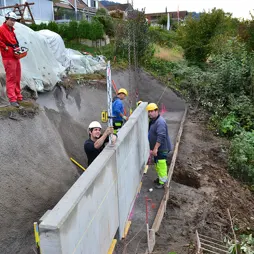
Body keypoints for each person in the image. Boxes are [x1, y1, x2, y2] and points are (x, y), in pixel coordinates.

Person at [0, 12, 23, 107]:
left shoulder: (11, 30)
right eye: (11, 20)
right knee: (11, 78)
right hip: (8, 57)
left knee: (17, 77)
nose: (13, 22)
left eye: (14, 20)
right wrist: (5, 47)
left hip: (15, 56)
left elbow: (13, 42)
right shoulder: (1, 29)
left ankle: (18, 96)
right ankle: (12, 99)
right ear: (6, 19)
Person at [147, 103, 172, 189]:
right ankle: (160, 178)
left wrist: (155, 148)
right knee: (157, 164)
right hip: (157, 148)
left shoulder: (160, 122)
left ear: (156, 111)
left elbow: (161, 136)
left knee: (161, 164)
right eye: (149, 112)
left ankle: (162, 182)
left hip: (162, 148)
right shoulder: (153, 121)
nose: (150, 113)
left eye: (151, 111)